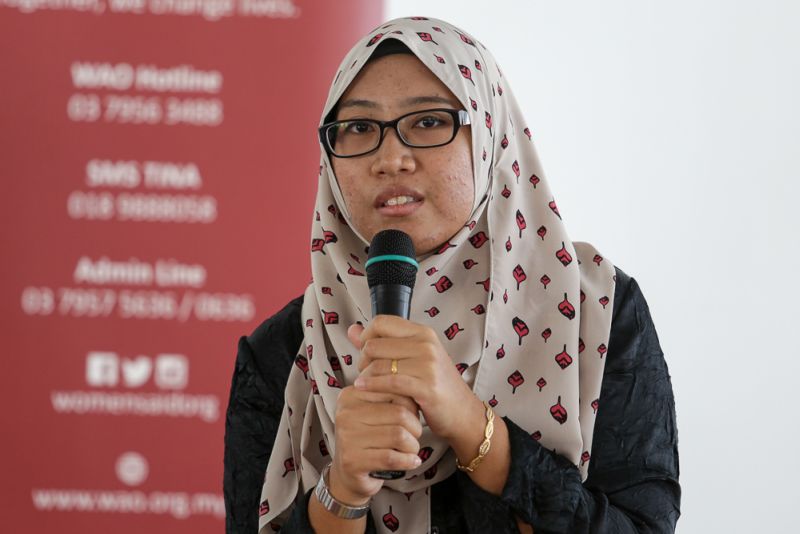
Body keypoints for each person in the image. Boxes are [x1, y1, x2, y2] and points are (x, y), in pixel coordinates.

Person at [224, 16, 680, 534]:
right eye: (357, 128)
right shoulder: (284, 352)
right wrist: (343, 488)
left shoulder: (595, 310)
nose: (390, 158)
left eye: (427, 121)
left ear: (489, 133)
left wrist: (471, 424)